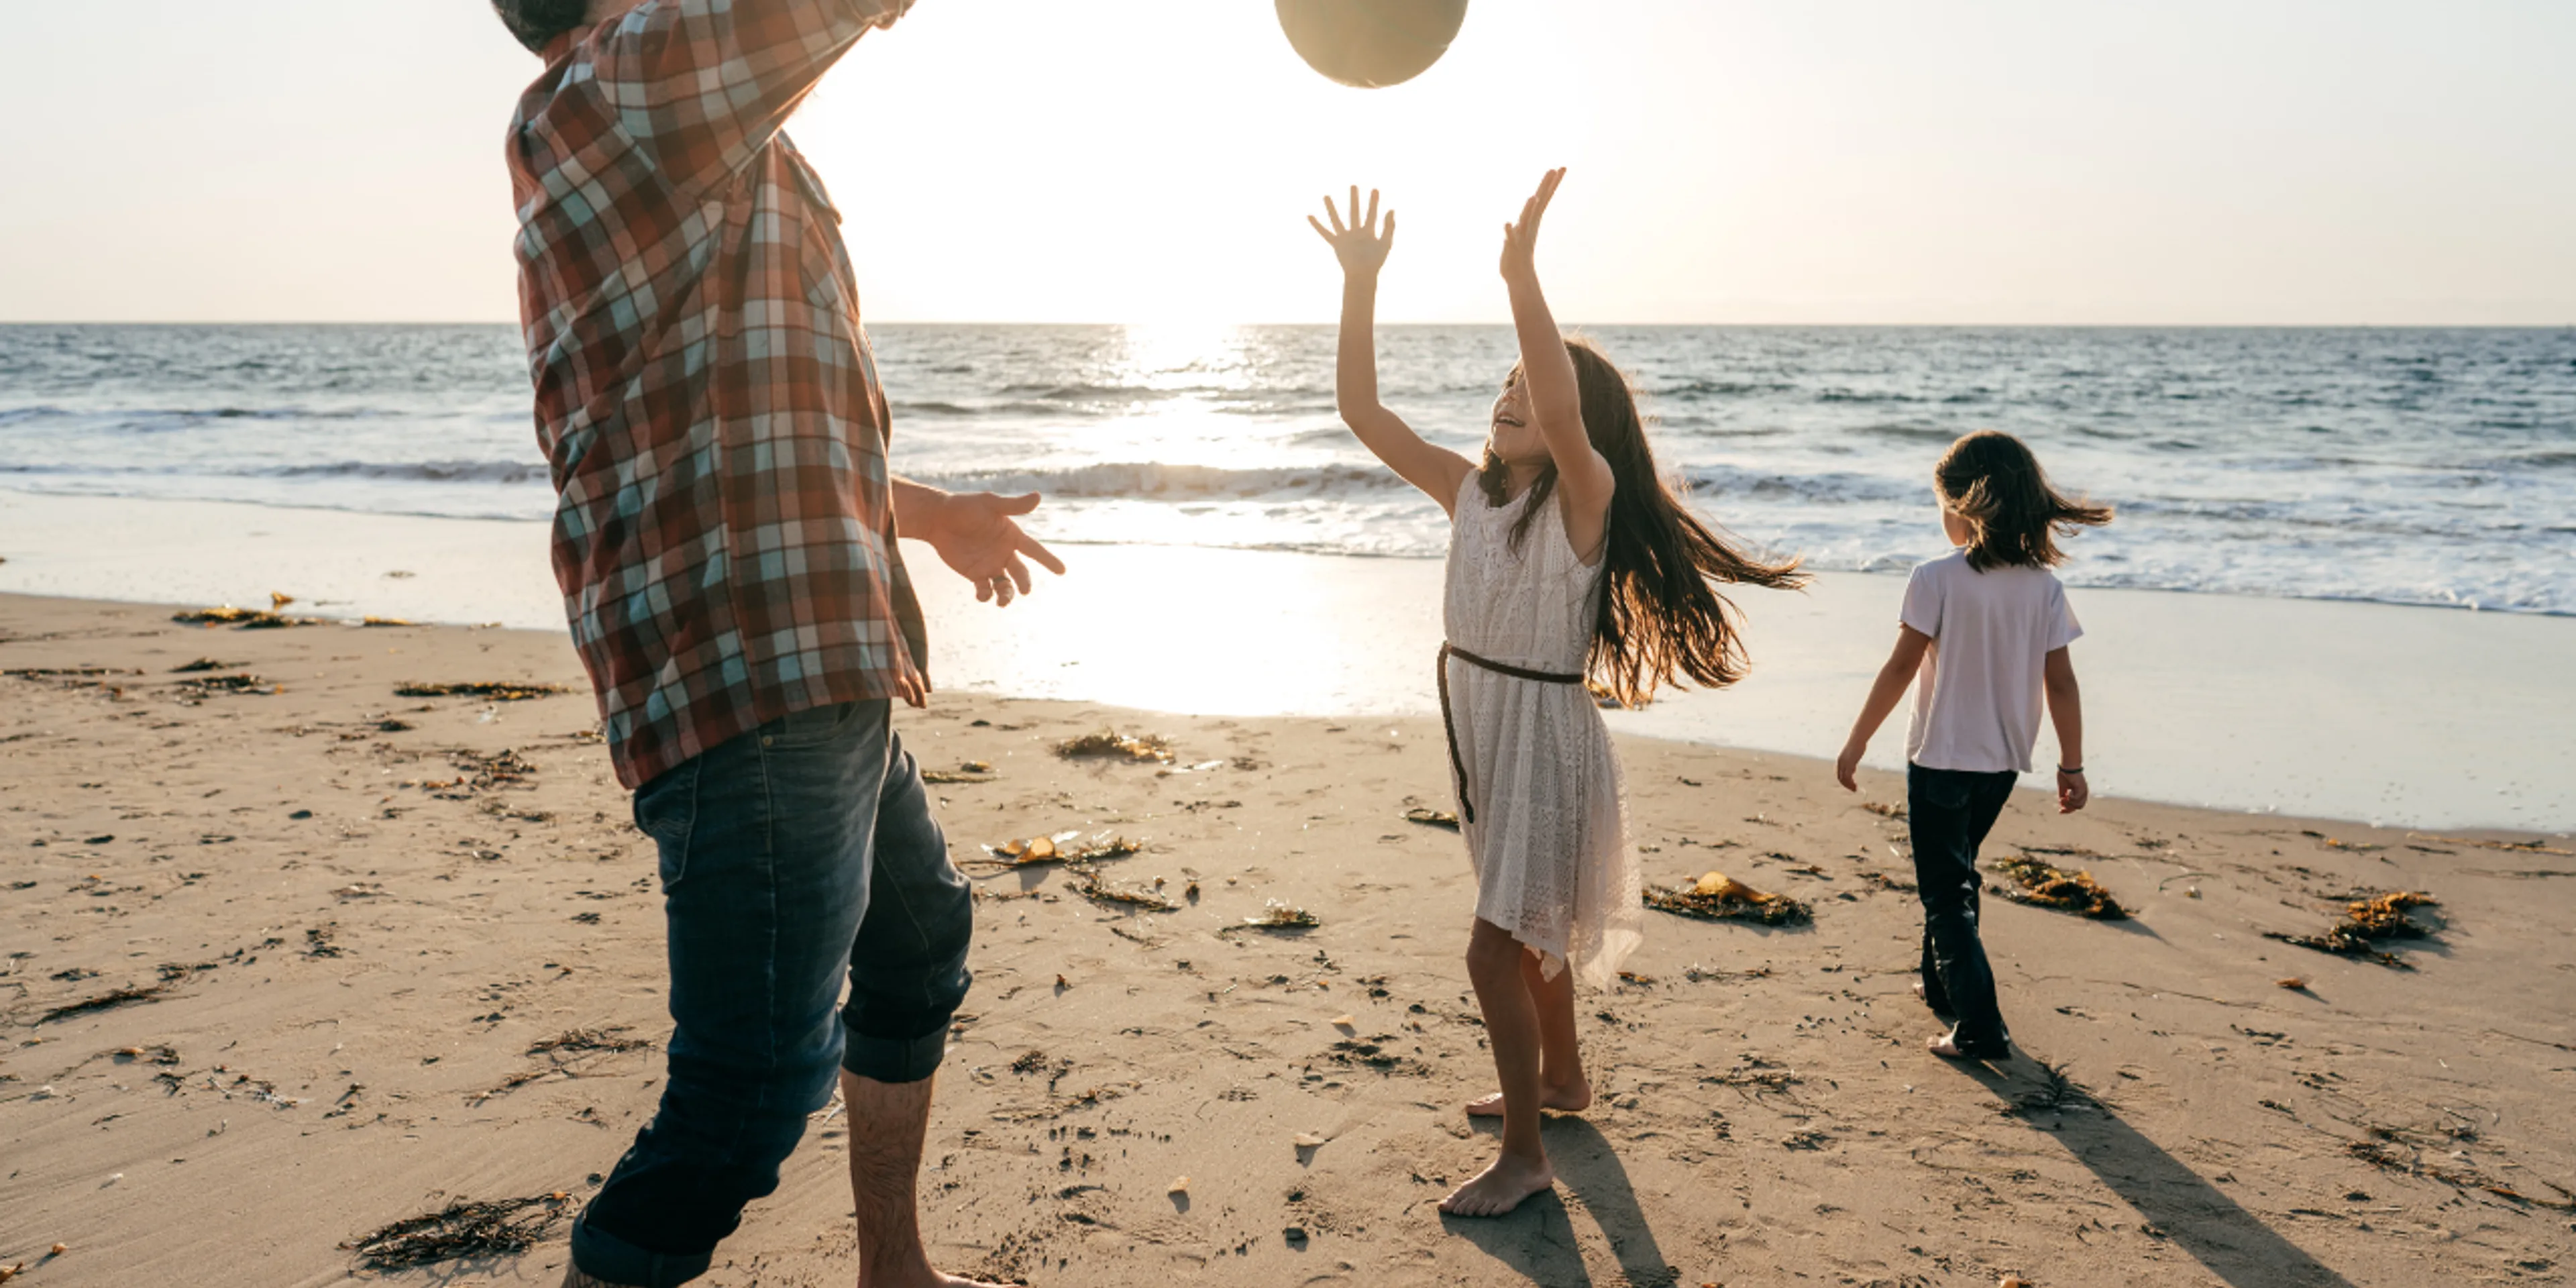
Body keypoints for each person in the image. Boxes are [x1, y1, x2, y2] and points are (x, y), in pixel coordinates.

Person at [496, 1, 1061, 1284]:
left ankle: (892, 1271)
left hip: (821, 659)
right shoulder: (615, 86)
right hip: (751, 675)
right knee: (748, 1090)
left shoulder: (673, 122)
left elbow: (750, 416)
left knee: (917, 954)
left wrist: (923, 516)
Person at [1309, 169, 1807, 1218]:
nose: (1512, 397)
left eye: (1532, 392)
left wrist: (1521, 278)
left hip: (1542, 731)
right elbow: (1361, 409)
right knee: (1531, 931)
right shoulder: (1465, 493)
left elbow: (1565, 402)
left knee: (1496, 947)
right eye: (1504, 384)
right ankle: (1565, 1079)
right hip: (1481, 732)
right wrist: (1361, 284)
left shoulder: (1586, 501)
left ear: (1576, 423)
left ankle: (1529, 1155)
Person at [1833, 430, 2111, 1061]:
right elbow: (2061, 683)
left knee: (1944, 891)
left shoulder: (1936, 578)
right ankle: (1945, 984)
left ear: (1965, 507)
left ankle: (1981, 1028)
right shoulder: (2042, 587)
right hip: (2004, 761)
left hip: (1939, 757)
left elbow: (1900, 668)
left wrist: (1855, 741)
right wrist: (2072, 765)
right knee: (1958, 873)